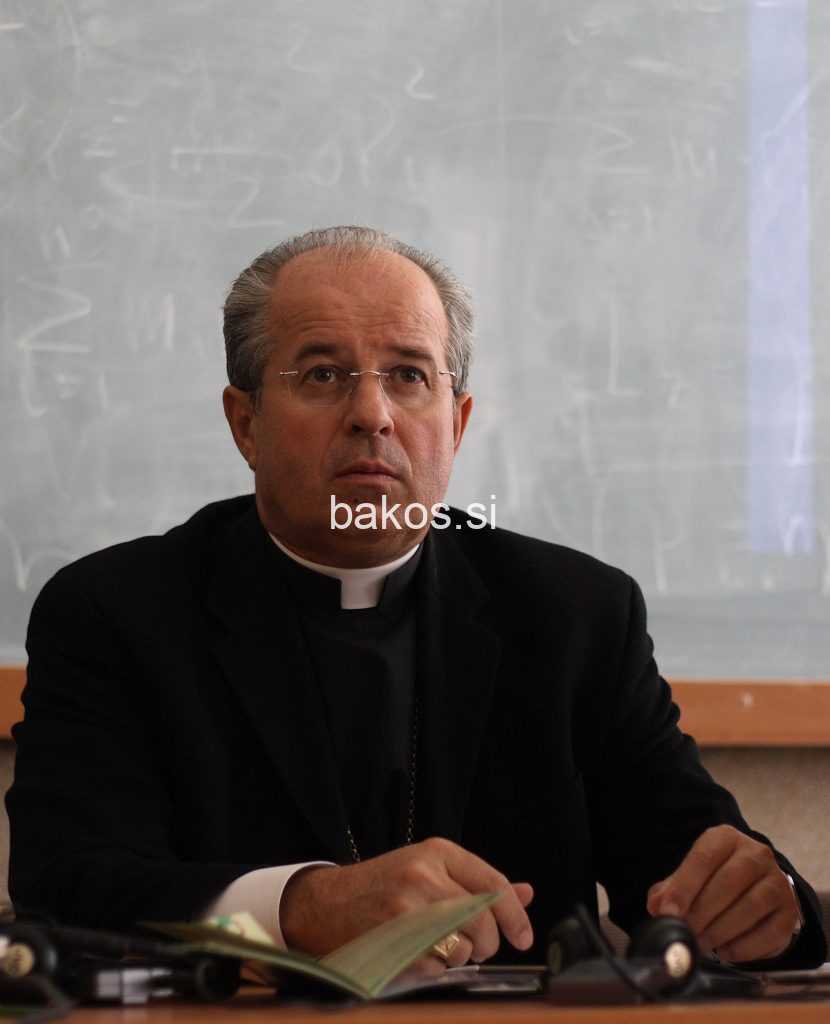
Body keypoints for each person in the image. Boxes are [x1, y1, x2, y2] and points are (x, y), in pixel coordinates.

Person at [6, 226, 826, 971]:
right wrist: (300, 907)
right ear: (245, 423)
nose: (372, 415)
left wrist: (765, 906)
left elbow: (698, 871)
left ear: (457, 423)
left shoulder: (576, 615)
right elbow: (64, 884)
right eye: (323, 374)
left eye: (408, 376)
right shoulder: (116, 614)